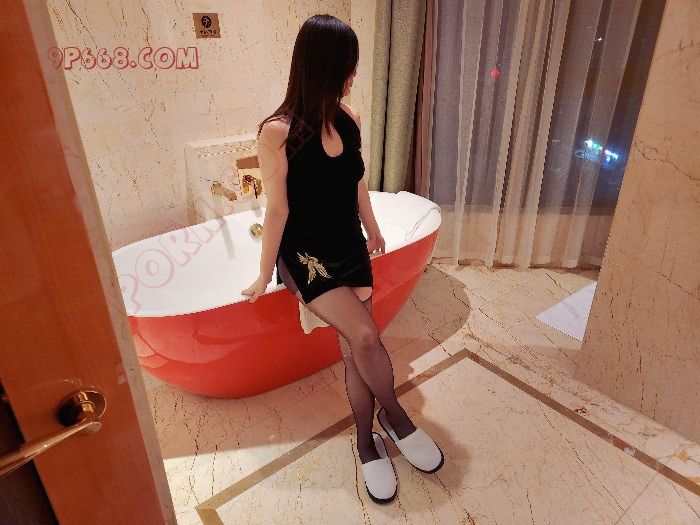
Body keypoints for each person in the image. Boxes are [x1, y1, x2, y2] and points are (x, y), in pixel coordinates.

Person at [241, 14, 443, 504]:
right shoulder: (278, 132)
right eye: (346, 67)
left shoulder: (348, 117)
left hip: (347, 242)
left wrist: (373, 228)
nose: (353, 75)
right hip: (306, 253)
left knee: (355, 348)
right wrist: (265, 272)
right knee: (367, 335)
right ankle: (396, 417)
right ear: (323, 68)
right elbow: (277, 209)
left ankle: (365, 443)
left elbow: (356, 181)